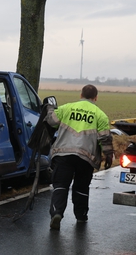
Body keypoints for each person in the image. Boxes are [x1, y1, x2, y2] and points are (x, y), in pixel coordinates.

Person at [45, 84, 114, 230]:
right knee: (81, 187)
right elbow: (105, 140)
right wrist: (108, 157)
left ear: (80, 95)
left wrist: (50, 108)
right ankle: (81, 216)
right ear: (96, 98)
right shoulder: (100, 115)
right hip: (86, 157)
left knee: (60, 185)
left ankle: (57, 213)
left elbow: (51, 121)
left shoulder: (66, 108)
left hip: (63, 154)